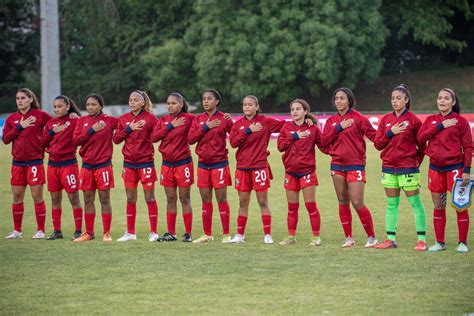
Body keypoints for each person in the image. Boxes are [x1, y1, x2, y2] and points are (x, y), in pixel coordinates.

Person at [321, 87, 378, 248]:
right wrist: (339, 127)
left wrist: (392, 137)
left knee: (357, 202)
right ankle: (348, 238)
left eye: (342, 98)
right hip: (337, 165)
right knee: (343, 201)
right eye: (336, 98)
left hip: (356, 165)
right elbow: (324, 142)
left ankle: (372, 237)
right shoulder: (331, 121)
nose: (339, 101)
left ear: (349, 100)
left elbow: (375, 138)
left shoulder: (359, 118)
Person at [417, 88, 472, 253]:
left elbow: (468, 147)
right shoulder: (431, 120)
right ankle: (440, 243)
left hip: (455, 168)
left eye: (446, 98)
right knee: (438, 205)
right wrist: (440, 126)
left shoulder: (460, 122)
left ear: (453, 102)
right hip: (435, 169)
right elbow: (420, 138)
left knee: (460, 205)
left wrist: (467, 170)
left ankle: (462, 243)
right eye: (439, 98)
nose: (442, 101)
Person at [374, 84, 427, 251]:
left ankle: (422, 240)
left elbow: (422, 145)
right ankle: (390, 239)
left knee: (415, 203)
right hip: (388, 168)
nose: (395, 101)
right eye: (392, 98)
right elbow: (377, 144)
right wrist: (391, 132)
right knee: (391, 204)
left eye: (398, 98)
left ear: (406, 100)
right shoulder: (385, 120)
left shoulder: (413, 120)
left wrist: (415, 161)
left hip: (408, 168)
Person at [228, 95, 284, 244]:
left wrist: (307, 121)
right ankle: (240, 235)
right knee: (242, 202)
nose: (247, 107)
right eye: (244, 105)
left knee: (263, 202)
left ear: (257, 107)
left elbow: (286, 126)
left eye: (250, 105)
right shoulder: (238, 124)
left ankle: (267, 234)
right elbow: (233, 143)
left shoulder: (266, 122)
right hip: (242, 168)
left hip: (259, 167)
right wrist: (247, 130)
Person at [3, 88, 51, 239]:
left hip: (35, 162)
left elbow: (56, 123)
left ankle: (40, 231)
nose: (20, 100)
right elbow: (5, 139)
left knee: (37, 196)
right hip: (17, 164)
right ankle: (17, 231)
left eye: (23, 98)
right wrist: (19, 127)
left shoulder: (41, 115)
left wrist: (73, 115)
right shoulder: (12, 119)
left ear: (31, 99)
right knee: (17, 197)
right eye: (18, 98)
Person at [188, 89, 233, 243]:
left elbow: (236, 136)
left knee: (221, 199)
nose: (205, 101)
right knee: (206, 200)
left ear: (217, 101)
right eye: (203, 99)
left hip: (219, 164)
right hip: (203, 165)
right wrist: (206, 127)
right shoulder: (198, 119)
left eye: (209, 99)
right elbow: (191, 139)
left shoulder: (224, 118)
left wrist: (231, 122)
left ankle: (226, 234)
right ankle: (207, 234)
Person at [114, 90, 159, 242]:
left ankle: (153, 232)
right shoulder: (124, 119)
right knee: (130, 198)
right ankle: (130, 233)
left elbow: (158, 135)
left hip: (146, 163)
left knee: (150, 198)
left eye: (135, 100)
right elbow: (116, 139)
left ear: (143, 103)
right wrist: (129, 128)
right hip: (129, 164)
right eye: (130, 99)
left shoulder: (151, 119)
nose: (132, 102)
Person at [72, 94, 118, 242]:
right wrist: (92, 130)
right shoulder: (82, 121)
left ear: (100, 106)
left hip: (103, 166)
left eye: (93, 104)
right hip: (87, 167)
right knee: (87, 200)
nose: (90, 107)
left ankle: (106, 233)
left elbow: (126, 124)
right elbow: (76, 141)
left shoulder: (109, 121)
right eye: (88, 105)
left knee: (105, 199)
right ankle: (89, 233)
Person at [277, 99, 323, 246]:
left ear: (305, 111)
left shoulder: (313, 128)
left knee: (310, 205)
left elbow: (324, 145)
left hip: (307, 171)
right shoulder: (286, 127)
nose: (294, 112)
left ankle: (316, 237)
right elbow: (280, 147)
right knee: (292, 207)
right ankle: (291, 237)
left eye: (298, 109)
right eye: (292, 109)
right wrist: (294, 136)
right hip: (290, 172)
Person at [151, 92, 195, 242]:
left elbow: (204, 122)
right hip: (167, 165)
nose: (170, 106)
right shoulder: (163, 120)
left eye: (173, 103)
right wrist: (170, 126)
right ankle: (171, 232)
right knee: (170, 199)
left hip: (183, 164)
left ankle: (188, 233)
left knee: (184, 198)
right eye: (168, 103)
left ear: (181, 104)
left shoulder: (189, 119)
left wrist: (225, 117)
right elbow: (153, 138)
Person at [41, 95, 83, 241]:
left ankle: (78, 230)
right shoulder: (51, 123)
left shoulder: (74, 120)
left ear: (67, 106)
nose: (57, 109)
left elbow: (84, 127)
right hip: (53, 165)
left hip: (69, 165)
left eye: (60, 106)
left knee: (73, 198)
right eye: (55, 107)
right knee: (55, 199)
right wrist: (53, 131)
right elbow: (43, 141)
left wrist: (76, 116)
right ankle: (57, 231)